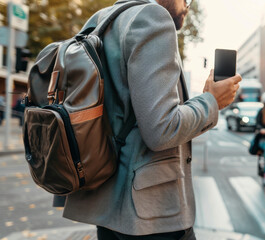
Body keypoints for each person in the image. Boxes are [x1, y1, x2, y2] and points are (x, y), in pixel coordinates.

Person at [60, 0, 241, 239]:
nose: (187, 6)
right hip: (151, 216)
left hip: (107, 206)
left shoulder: (102, 20)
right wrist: (211, 102)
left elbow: (135, 114)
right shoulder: (153, 18)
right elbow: (162, 130)